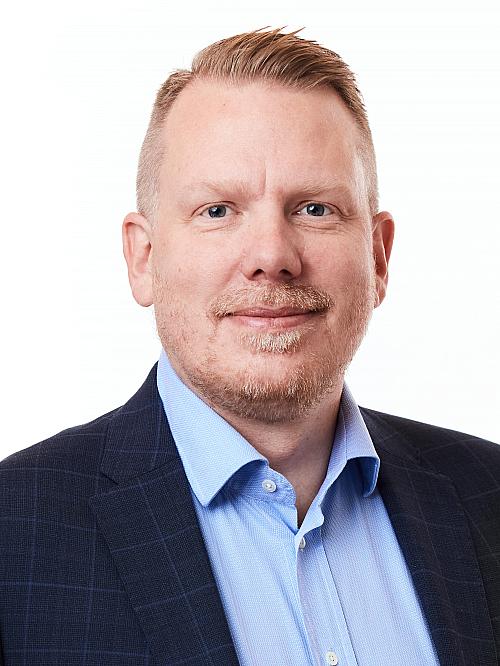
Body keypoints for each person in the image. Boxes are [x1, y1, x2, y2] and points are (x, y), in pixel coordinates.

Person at [0, 26, 498, 666]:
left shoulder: (488, 495)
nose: (271, 255)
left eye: (315, 209)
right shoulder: (15, 533)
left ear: (378, 257)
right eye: (217, 210)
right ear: (143, 258)